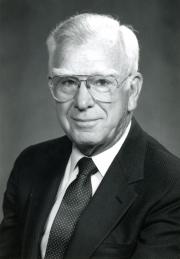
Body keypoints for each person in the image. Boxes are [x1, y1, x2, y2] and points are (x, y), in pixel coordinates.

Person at [0, 13, 180, 259]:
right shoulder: (30, 165)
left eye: (102, 82)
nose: (82, 102)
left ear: (133, 91)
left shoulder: (170, 186)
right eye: (68, 82)